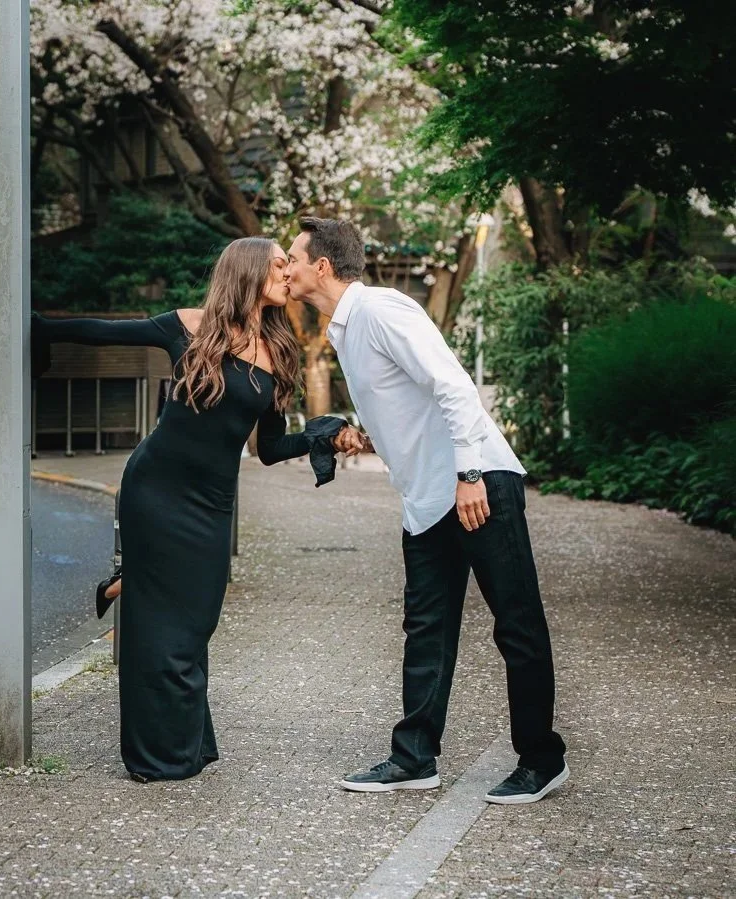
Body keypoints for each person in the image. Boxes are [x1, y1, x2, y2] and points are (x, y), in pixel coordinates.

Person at [33, 236, 353, 782]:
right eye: (278, 264)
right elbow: (100, 333)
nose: (286, 273)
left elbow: (268, 448)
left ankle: (128, 585)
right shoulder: (187, 325)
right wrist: (32, 323)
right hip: (155, 489)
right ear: (249, 270)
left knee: (196, 622)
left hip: (210, 504)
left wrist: (327, 437)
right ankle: (159, 754)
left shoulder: (279, 350)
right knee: (160, 631)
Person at [282, 216, 568, 805]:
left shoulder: (383, 310)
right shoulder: (345, 329)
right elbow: (408, 406)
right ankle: (415, 757)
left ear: (323, 267)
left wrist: (468, 474)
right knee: (426, 629)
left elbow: (454, 387)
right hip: (428, 499)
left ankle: (542, 759)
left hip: (477, 483)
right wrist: (369, 435)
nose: (285, 267)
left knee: (516, 623)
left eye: (292, 257)